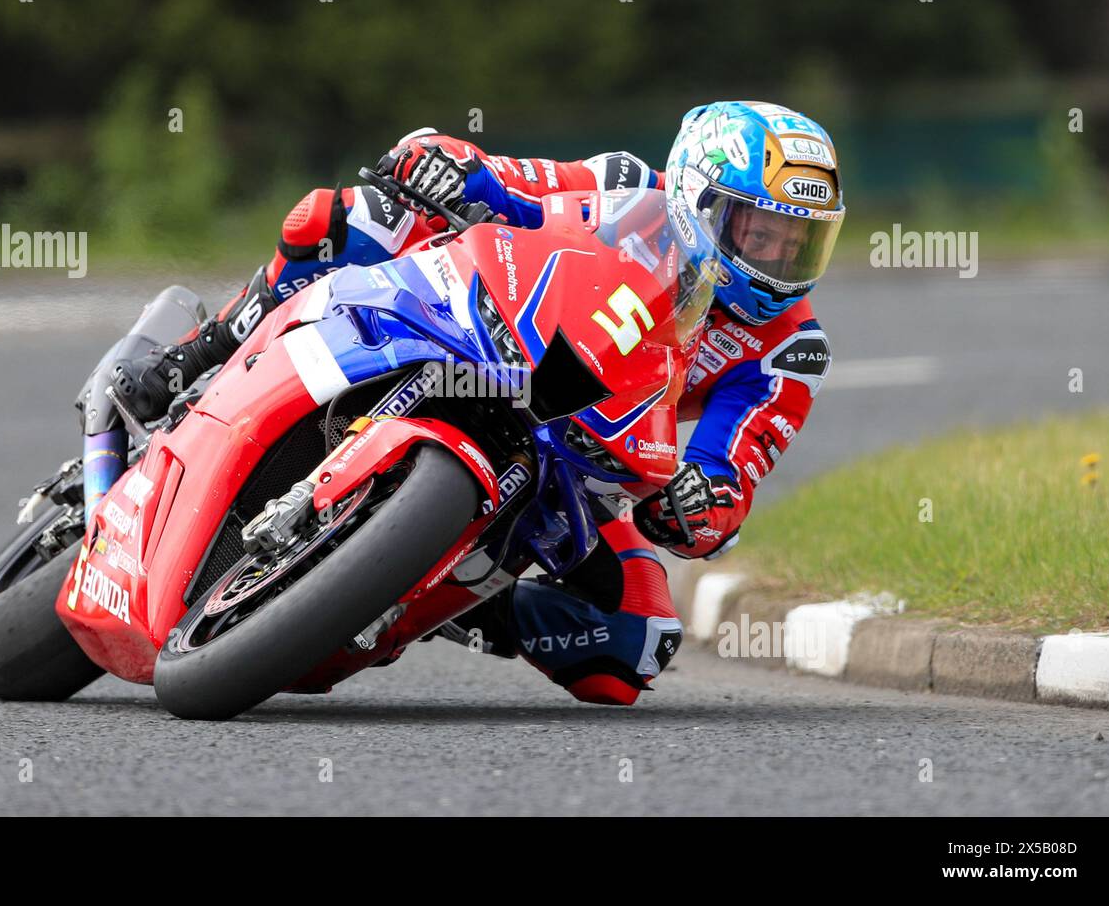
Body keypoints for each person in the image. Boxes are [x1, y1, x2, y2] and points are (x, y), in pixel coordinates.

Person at [107, 100, 844, 704]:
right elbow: (515, 187)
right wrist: (450, 165)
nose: (779, 262)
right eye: (762, 233)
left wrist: (699, 501)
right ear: (701, 196)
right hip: (491, 330)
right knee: (358, 216)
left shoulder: (788, 349)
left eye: (800, 244)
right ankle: (197, 354)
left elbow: (733, 469)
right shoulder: (626, 187)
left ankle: (453, 594)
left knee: (637, 644)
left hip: (583, 452)